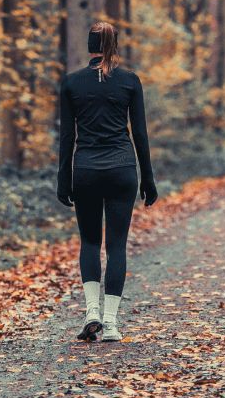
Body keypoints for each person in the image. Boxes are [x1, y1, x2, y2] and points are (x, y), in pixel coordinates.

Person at [57, 21, 158, 342]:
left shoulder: (72, 83)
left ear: (90, 47)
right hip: (122, 170)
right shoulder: (129, 81)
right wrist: (148, 179)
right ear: (116, 45)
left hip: (85, 169)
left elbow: (66, 136)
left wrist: (63, 178)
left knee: (89, 242)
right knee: (116, 246)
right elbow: (139, 133)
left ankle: (91, 312)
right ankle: (111, 324)